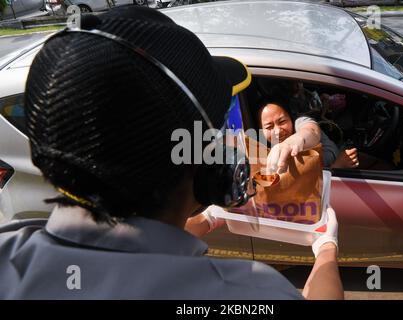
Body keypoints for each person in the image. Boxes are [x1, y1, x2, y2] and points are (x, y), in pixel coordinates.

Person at [0, 6, 343, 299]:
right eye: (220, 130)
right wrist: (326, 250)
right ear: (208, 169)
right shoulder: (249, 292)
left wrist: (205, 221)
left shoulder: (8, 256)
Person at [259, 99, 359, 173]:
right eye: (269, 127)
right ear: (261, 130)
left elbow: (311, 131)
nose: (277, 131)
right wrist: (337, 167)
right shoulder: (259, 152)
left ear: (291, 118)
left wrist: (294, 141)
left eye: (282, 121)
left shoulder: (300, 122)